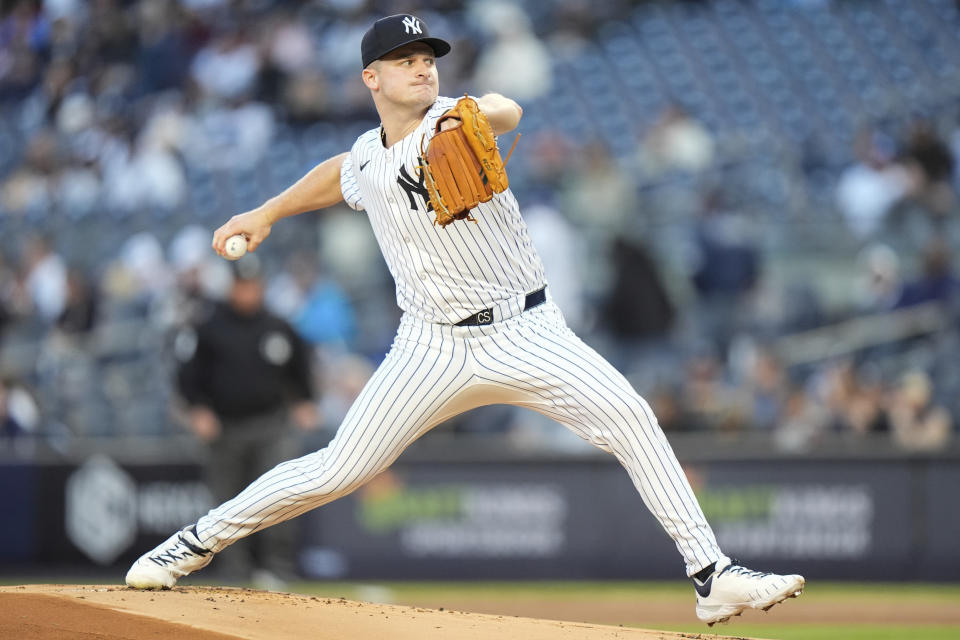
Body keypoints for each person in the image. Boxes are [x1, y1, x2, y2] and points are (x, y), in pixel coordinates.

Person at [125, 14, 804, 626]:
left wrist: (471, 117)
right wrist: (267, 212)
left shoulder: (454, 116)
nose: (423, 66)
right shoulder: (368, 156)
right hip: (430, 346)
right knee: (336, 468)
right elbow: (341, 173)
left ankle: (712, 576)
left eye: (429, 56)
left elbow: (506, 110)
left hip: (526, 331)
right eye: (405, 58)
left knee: (630, 416)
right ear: (372, 77)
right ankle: (191, 543)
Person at [174, 257, 318, 586]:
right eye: (242, 286)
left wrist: (305, 401)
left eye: (253, 286)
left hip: (271, 425)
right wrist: (197, 409)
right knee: (227, 502)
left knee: (280, 496)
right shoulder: (209, 327)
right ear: (232, 287)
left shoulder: (278, 326)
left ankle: (277, 570)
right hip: (226, 428)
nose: (248, 292)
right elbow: (188, 375)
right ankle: (235, 573)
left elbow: (301, 368)